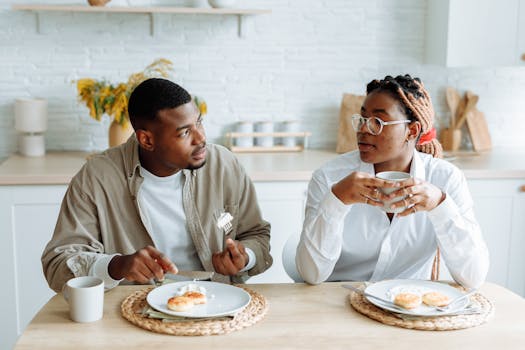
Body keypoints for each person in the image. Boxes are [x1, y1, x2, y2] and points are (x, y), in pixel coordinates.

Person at [42, 78, 272, 292]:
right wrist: (116, 265)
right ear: (147, 140)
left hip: (215, 300)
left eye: (199, 123)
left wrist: (245, 257)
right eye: (184, 132)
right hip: (131, 308)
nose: (201, 138)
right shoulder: (97, 178)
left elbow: (256, 235)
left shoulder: (224, 165)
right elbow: (57, 265)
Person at [296, 74, 489, 289]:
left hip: (409, 307)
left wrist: (440, 206)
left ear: (412, 130)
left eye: (377, 122)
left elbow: (473, 277)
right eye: (362, 119)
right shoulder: (329, 178)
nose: (362, 129)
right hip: (340, 302)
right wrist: (336, 201)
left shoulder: (446, 179)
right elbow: (311, 273)